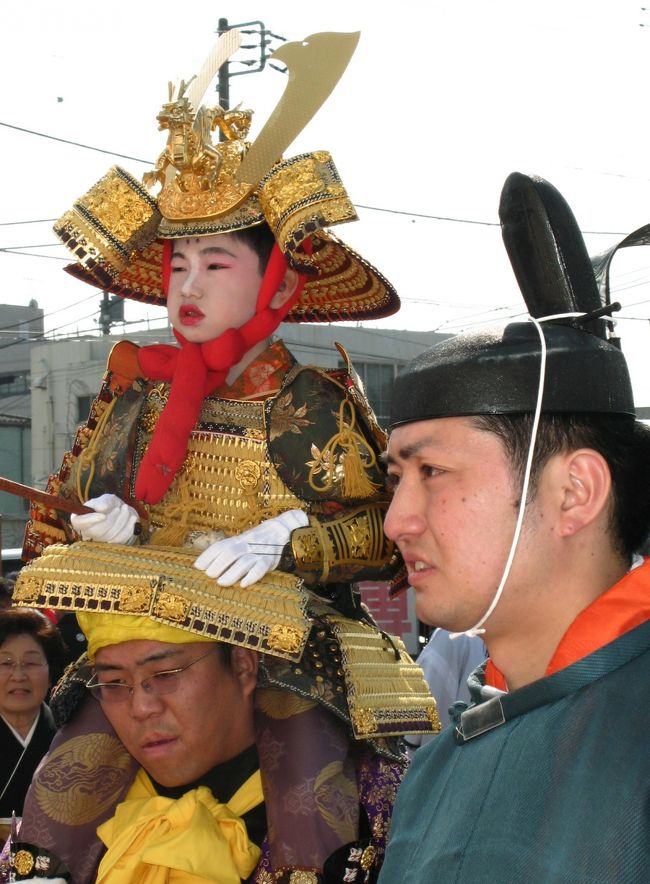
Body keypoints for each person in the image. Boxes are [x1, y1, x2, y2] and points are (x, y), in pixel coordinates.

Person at [4, 29, 437, 884]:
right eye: (175, 265)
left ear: (275, 284)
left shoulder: (310, 401)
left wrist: (290, 541)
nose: (187, 288)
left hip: (288, 653)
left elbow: (387, 540)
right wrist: (102, 532)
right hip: (145, 660)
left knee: (311, 814)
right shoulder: (132, 399)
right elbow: (48, 539)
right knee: (50, 820)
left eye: (214, 262)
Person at [377, 172, 650, 882]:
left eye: (432, 473)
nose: (397, 520)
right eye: (394, 478)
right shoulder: (438, 762)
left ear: (574, 492)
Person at [0, 609, 66, 818]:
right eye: (5, 663)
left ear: (50, 674)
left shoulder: (72, 743)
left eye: (31, 663)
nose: (18, 675)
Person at [404, 629, 485, 750]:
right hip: (482, 747)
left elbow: (427, 691)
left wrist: (409, 740)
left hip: (441, 752)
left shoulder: (454, 632)